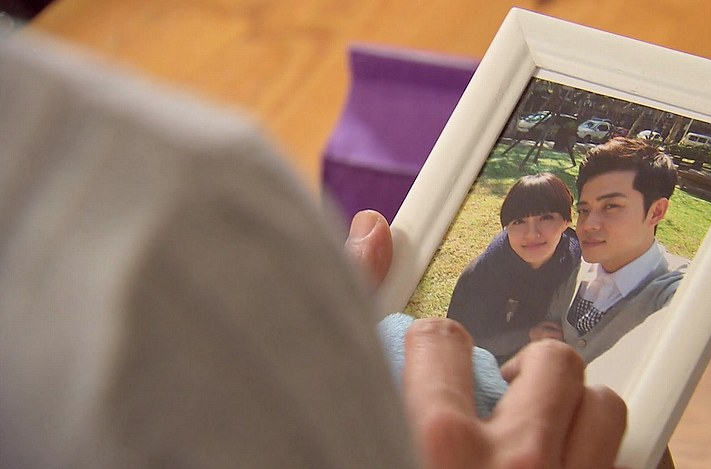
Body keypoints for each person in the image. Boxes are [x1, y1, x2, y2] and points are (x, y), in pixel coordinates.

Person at [0, 34, 626, 468]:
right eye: (523, 223)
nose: (537, 233)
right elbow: (468, 320)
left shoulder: (572, 252)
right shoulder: (180, 218)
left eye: (551, 222)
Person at [551, 137, 688, 363]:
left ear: (656, 212)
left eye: (611, 206)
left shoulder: (677, 291)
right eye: (584, 210)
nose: (588, 225)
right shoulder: (574, 263)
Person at [446, 173, 581, 364]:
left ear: (566, 222)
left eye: (546, 218)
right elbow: (469, 342)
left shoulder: (579, 262)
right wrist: (529, 335)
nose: (532, 234)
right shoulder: (484, 275)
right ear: (506, 227)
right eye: (519, 221)